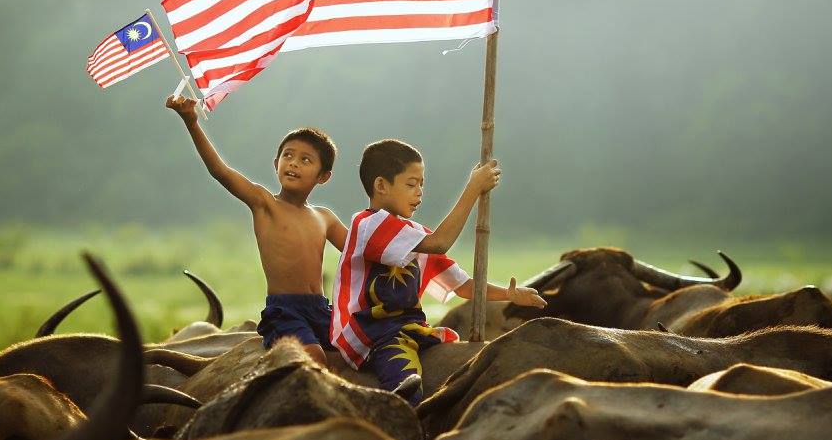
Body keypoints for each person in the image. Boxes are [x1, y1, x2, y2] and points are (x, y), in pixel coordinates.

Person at [331, 138, 547, 403]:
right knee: (406, 383)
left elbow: (463, 286)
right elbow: (441, 243)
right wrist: (473, 190)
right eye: (411, 184)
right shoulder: (368, 224)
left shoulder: (415, 236)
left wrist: (510, 295)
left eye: (422, 184)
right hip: (373, 333)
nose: (419, 192)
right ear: (381, 185)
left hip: (410, 328)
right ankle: (403, 414)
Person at [165, 93, 346, 365]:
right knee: (313, 357)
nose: (294, 163)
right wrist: (192, 122)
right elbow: (221, 172)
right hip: (286, 311)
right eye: (288, 156)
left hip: (322, 309)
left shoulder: (325, 217)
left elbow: (360, 249)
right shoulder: (265, 204)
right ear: (276, 164)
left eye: (306, 160)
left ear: (323, 176)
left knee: (357, 353)